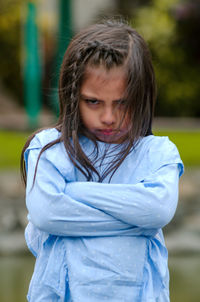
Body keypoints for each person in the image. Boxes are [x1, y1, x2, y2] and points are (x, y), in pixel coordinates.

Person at [21, 20, 184, 302]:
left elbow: (157, 211)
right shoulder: (50, 149)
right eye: (93, 102)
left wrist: (72, 192)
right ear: (73, 97)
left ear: (141, 97)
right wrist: (137, 221)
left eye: (122, 103)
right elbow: (46, 213)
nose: (108, 117)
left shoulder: (158, 153)